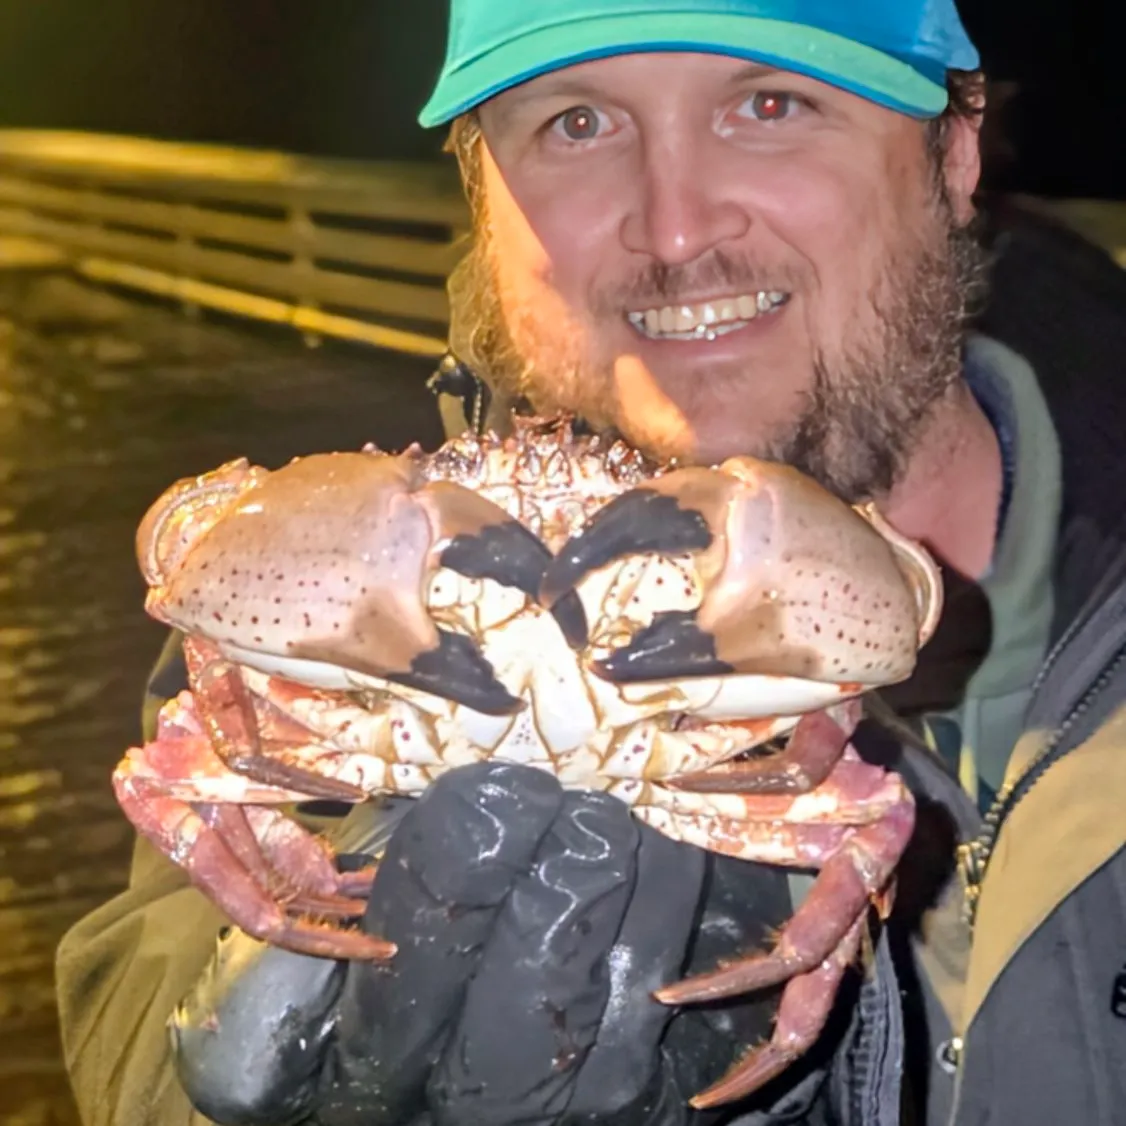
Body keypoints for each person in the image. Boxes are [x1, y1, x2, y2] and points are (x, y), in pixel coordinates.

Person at [55, 1, 1126, 1124]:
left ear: (953, 152)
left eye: (770, 104)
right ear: (480, 201)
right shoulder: (296, 621)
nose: (673, 231)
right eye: (575, 124)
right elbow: (141, 989)